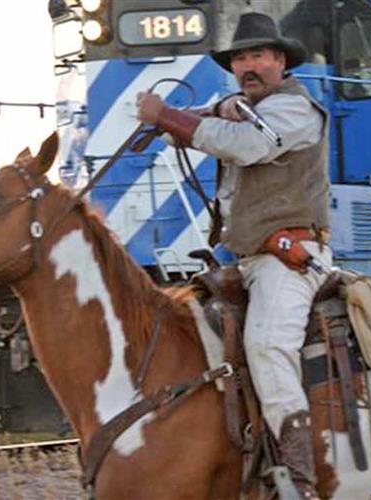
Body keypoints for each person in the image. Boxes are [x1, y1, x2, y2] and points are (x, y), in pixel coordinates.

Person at [136, 12, 330, 499]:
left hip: (288, 259)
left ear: (280, 61)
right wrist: (189, 119)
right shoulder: (240, 105)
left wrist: (171, 117)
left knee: (266, 345)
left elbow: (247, 146)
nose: (248, 65)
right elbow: (220, 122)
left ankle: (298, 479)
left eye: (258, 55)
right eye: (240, 57)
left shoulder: (295, 110)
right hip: (242, 259)